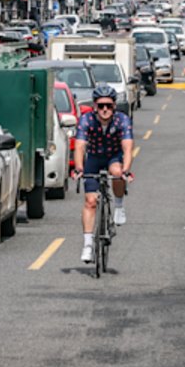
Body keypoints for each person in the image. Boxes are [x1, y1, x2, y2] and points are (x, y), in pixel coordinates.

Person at [72, 84, 135, 263]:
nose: (105, 109)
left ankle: (119, 206)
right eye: (101, 106)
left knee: (117, 172)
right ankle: (88, 245)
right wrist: (78, 168)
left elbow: (127, 148)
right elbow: (79, 146)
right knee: (90, 202)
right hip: (93, 157)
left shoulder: (122, 120)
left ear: (114, 106)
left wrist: (126, 170)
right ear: (95, 106)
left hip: (113, 156)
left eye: (108, 105)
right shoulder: (86, 120)